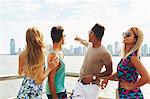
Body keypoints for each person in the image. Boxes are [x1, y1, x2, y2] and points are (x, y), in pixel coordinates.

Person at [101, 27, 150, 99]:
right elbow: (121, 72)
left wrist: (131, 87)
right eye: (124, 34)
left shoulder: (133, 57)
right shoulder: (127, 56)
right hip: (124, 94)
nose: (125, 36)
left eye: (128, 34)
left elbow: (146, 77)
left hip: (132, 95)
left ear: (135, 39)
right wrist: (108, 78)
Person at [71, 23, 113, 99]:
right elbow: (84, 42)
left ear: (92, 34)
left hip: (92, 87)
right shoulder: (90, 45)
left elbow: (109, 71)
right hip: (80, 84)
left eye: (89, 32)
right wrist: (78, 39)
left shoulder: (105, 53)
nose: (88, 34)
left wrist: (93, 77)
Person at [17, 27, 59, 99]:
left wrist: (30, 71)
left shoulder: (22, 54)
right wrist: (49, 68)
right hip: (34, 95)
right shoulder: (40, 54)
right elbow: (39, 80)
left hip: (23, 93)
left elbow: (20, 72)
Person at [46, 26, 67, 99]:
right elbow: (50, 80)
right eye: (64, 35)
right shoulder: (53, 55)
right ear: (61, 37)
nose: (65, 37)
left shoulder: (60, 53)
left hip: (62, 90)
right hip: (56, 93)